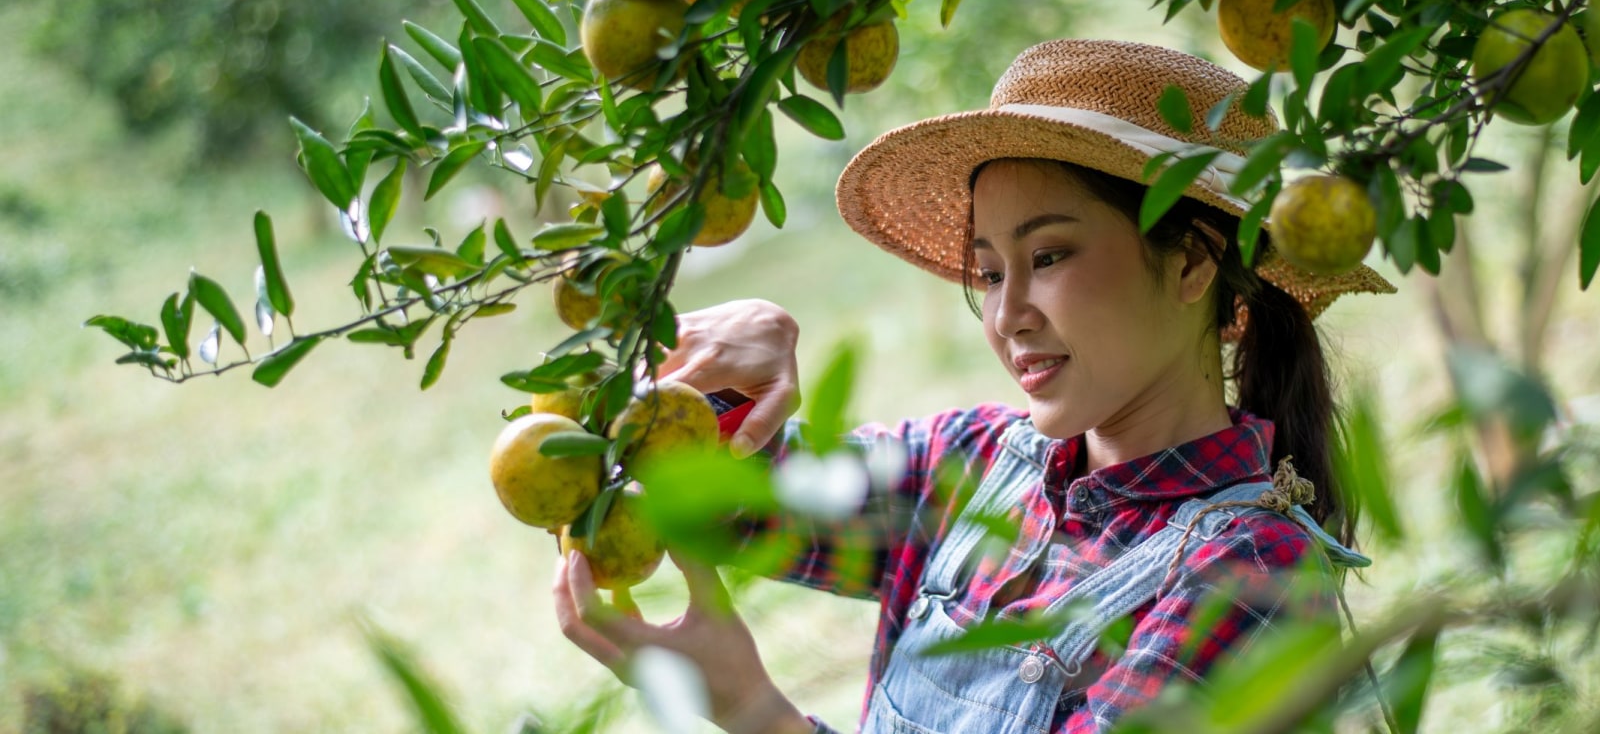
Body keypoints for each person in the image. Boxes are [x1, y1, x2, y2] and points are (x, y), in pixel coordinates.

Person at [553, 39, 1397, 734]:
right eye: (990, 274)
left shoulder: (1250, 577)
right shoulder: (982, 463)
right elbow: (717, 495)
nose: (1008, 316)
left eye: (1051, 257)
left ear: (1191, 262)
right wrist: (714, 373)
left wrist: (751, 710)